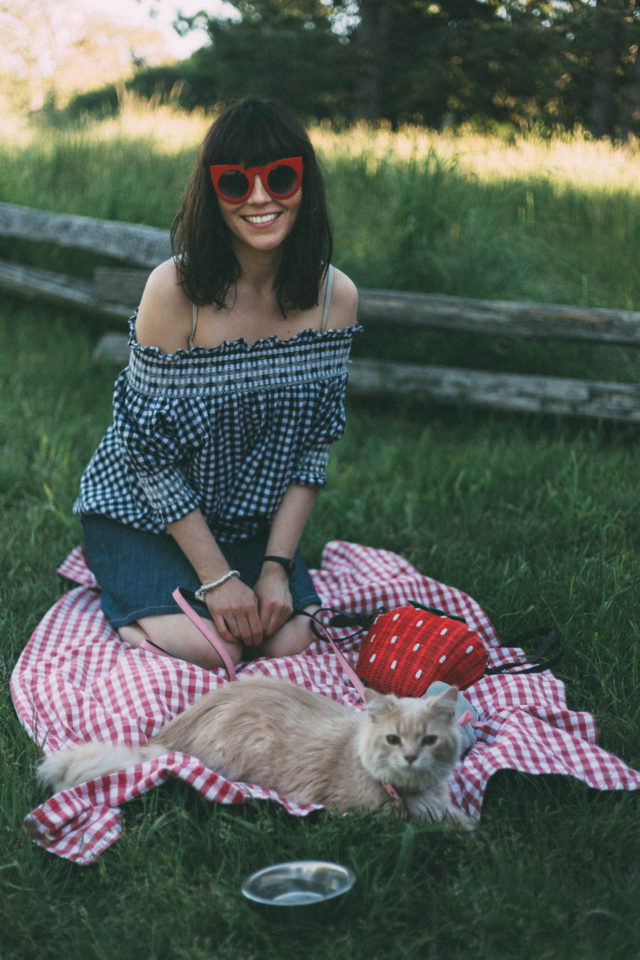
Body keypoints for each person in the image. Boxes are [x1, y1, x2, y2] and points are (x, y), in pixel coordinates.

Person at [74, 96, 360, 671]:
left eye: (281, 177)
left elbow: (312, 448)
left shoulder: (336, 298)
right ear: (212, 193)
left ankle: (187, 600)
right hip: (141, 512)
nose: (260, 198)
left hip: (250, 522)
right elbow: (146, 455)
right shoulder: (174, 291)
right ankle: (130, 602)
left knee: (289, 643)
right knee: (216, 649)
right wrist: (218, 578)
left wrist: (276, 566)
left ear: (306, 184)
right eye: (236, 183)